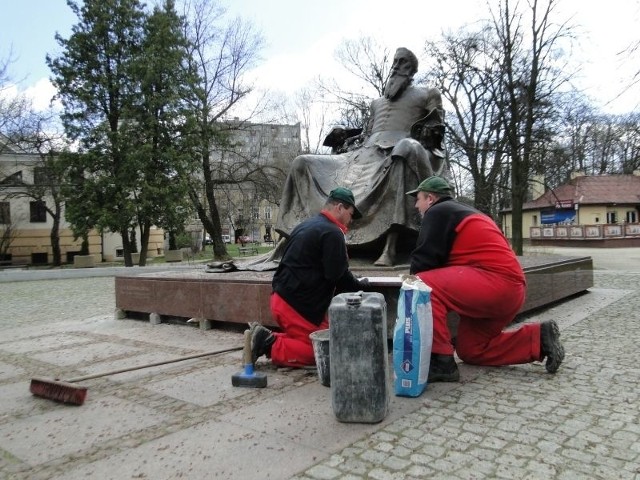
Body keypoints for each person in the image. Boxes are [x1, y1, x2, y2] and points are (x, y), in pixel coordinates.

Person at [275, 47, 448, 267]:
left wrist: (428, 133)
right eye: (394, 62)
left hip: (399, 151)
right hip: (364, 154)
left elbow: (437, 129)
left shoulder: (428, 94)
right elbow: (367, 135)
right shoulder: (377, 103)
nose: (395, 66)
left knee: (403, 150)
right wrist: (344, 136)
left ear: (410, 69)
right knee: (303, 163)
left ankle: (390, 247)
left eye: (401, 62)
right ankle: (290, 238)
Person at [406, 176, 565, 382]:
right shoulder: (468, 212)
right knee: (472, 349)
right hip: (508, 289)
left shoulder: (437, 211)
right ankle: (538, 339)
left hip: (495, 283)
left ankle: (440, 362)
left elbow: (424, 261)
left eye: (418, 199)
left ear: (430, 198)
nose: (416, 205)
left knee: (420, 284)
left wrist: (406, 285)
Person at [250, 187, 368, 366]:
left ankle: (263, 336)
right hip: (296, 305)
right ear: (339, 208)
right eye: (351, 214)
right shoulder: (333, 233)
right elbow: (339, 276)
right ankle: (269, 345)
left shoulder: (308, 225)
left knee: (317, 336)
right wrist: (361, 287)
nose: (351, 220)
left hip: (282, 298)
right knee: (327, 349)